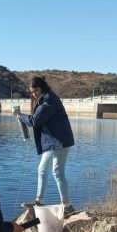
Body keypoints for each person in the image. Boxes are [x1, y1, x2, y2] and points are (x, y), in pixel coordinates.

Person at [13, 76, 76, 216]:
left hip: (60, 141)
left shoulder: (49, 100)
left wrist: (20, 116)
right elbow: (37, 119)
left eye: (36, 90)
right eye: (32, 91)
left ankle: (67, 206)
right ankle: (39, 201)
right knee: (42, 169)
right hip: (52, 142)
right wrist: (23, 117)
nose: (34, 93)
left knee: (57, 172)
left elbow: (36, 120)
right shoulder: (43, 99)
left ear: (42, 88)